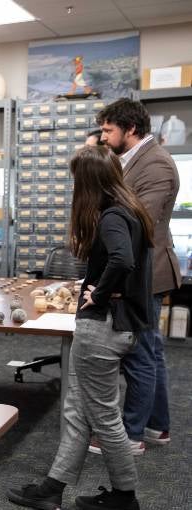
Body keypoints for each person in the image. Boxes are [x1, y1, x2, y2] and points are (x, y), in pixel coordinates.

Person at [7, 145, 154, 510]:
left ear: (87, 183)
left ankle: (125, 494)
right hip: (117, 325)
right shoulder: (132, 210)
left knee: (103, 416)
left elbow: (122, 259)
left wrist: (99, 293)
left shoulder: (110, 217)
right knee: (77, 410)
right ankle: (52, 488)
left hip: (102, 328)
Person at [91, 98, 180, 454]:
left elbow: (138, 220)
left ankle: (129, 435)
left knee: (138, 353)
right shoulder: (127, 159)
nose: (103, 136)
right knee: (150, 350)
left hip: (145, 273)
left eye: (108, 130)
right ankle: (157, 426)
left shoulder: (157, 164)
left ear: (131, 129)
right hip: (137, 269)